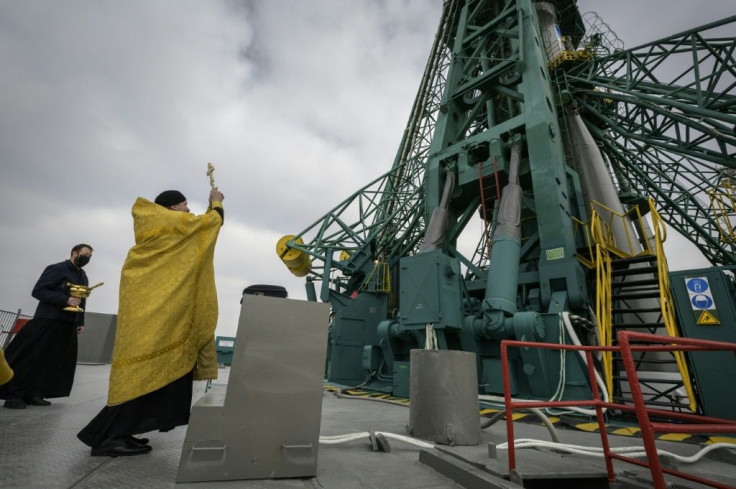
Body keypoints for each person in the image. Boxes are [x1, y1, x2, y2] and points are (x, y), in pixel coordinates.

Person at [77, 187, 224, 457]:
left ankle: (122, 431)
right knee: (143, 374)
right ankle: (106, 437)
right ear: (171, 209)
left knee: (153, 374)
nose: (188, 211)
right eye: (184, 205)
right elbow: (209, 224)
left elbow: (198, 227)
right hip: (159, 317)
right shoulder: (170, 223)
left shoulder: (163, 227)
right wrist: (215, 203)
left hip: (157, 315)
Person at [0, 244, 93, 409]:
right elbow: (38, 291)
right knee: (29, 357)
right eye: (85, 255)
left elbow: (81, 300)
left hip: (67, 324)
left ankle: (34, 394)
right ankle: (14, 395)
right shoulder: (57, 269)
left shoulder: (83, 276)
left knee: (51, 361)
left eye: (90, 257)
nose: (87, 259)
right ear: (74, 253)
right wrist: (65, 300)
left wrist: (80, 321)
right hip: (47, 320)